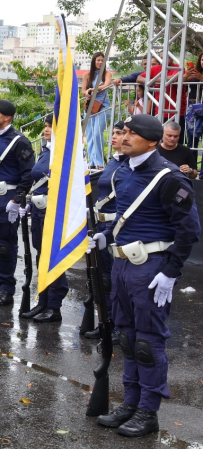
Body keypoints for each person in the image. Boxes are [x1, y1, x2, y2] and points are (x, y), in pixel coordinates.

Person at [91, 114, 200, 437]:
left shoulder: (168, 178)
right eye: (123, 132)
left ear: (151, 142)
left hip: (151, 267)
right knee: (126, 336)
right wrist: (106, 235)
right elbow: (125, 216)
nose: (124, 138)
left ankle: (148, 411)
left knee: (147, 342)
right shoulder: (124, 171)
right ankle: (130, 401)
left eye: (131, 134)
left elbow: (189, 230)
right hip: (123, 264)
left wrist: (170, 271)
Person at [0, 100, 34, 307]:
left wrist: (17, 199)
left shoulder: (19, 141)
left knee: (5, 245)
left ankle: (6, 289)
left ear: (7, 117)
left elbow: (28, 174)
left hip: (7, 197)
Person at [20, 115, 68, 323]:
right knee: (42, 256)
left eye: (51, 127)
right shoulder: (47, 151)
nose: (47, 130)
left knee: (53, 258)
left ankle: (54, 305)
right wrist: (30, 203)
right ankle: (43, 300)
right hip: (40, 210)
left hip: (54, 211)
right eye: (46, 126)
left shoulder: (64, 153)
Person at [83, 119, 127, 342]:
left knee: (116, 281)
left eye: (121, 133)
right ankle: (107, 322)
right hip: (101, 226)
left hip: (116, 228)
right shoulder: (113, 162)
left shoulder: (127, 166)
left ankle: (118, 325)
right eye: (116, 132)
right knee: (104, 278)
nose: (116, 136)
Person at [83, 52, 113, 168]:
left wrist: (93, 89)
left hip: (103, 107)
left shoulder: (106, 73)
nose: (100, 62)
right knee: (90, 135)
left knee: (97, 134)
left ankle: (99, 162)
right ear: (94, 61)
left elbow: (106, 85)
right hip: (90, 107)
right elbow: (83, 91)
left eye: (102, 60)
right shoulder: (87, 75)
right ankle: (92, 162)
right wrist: (87, 93)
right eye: (98, 60)